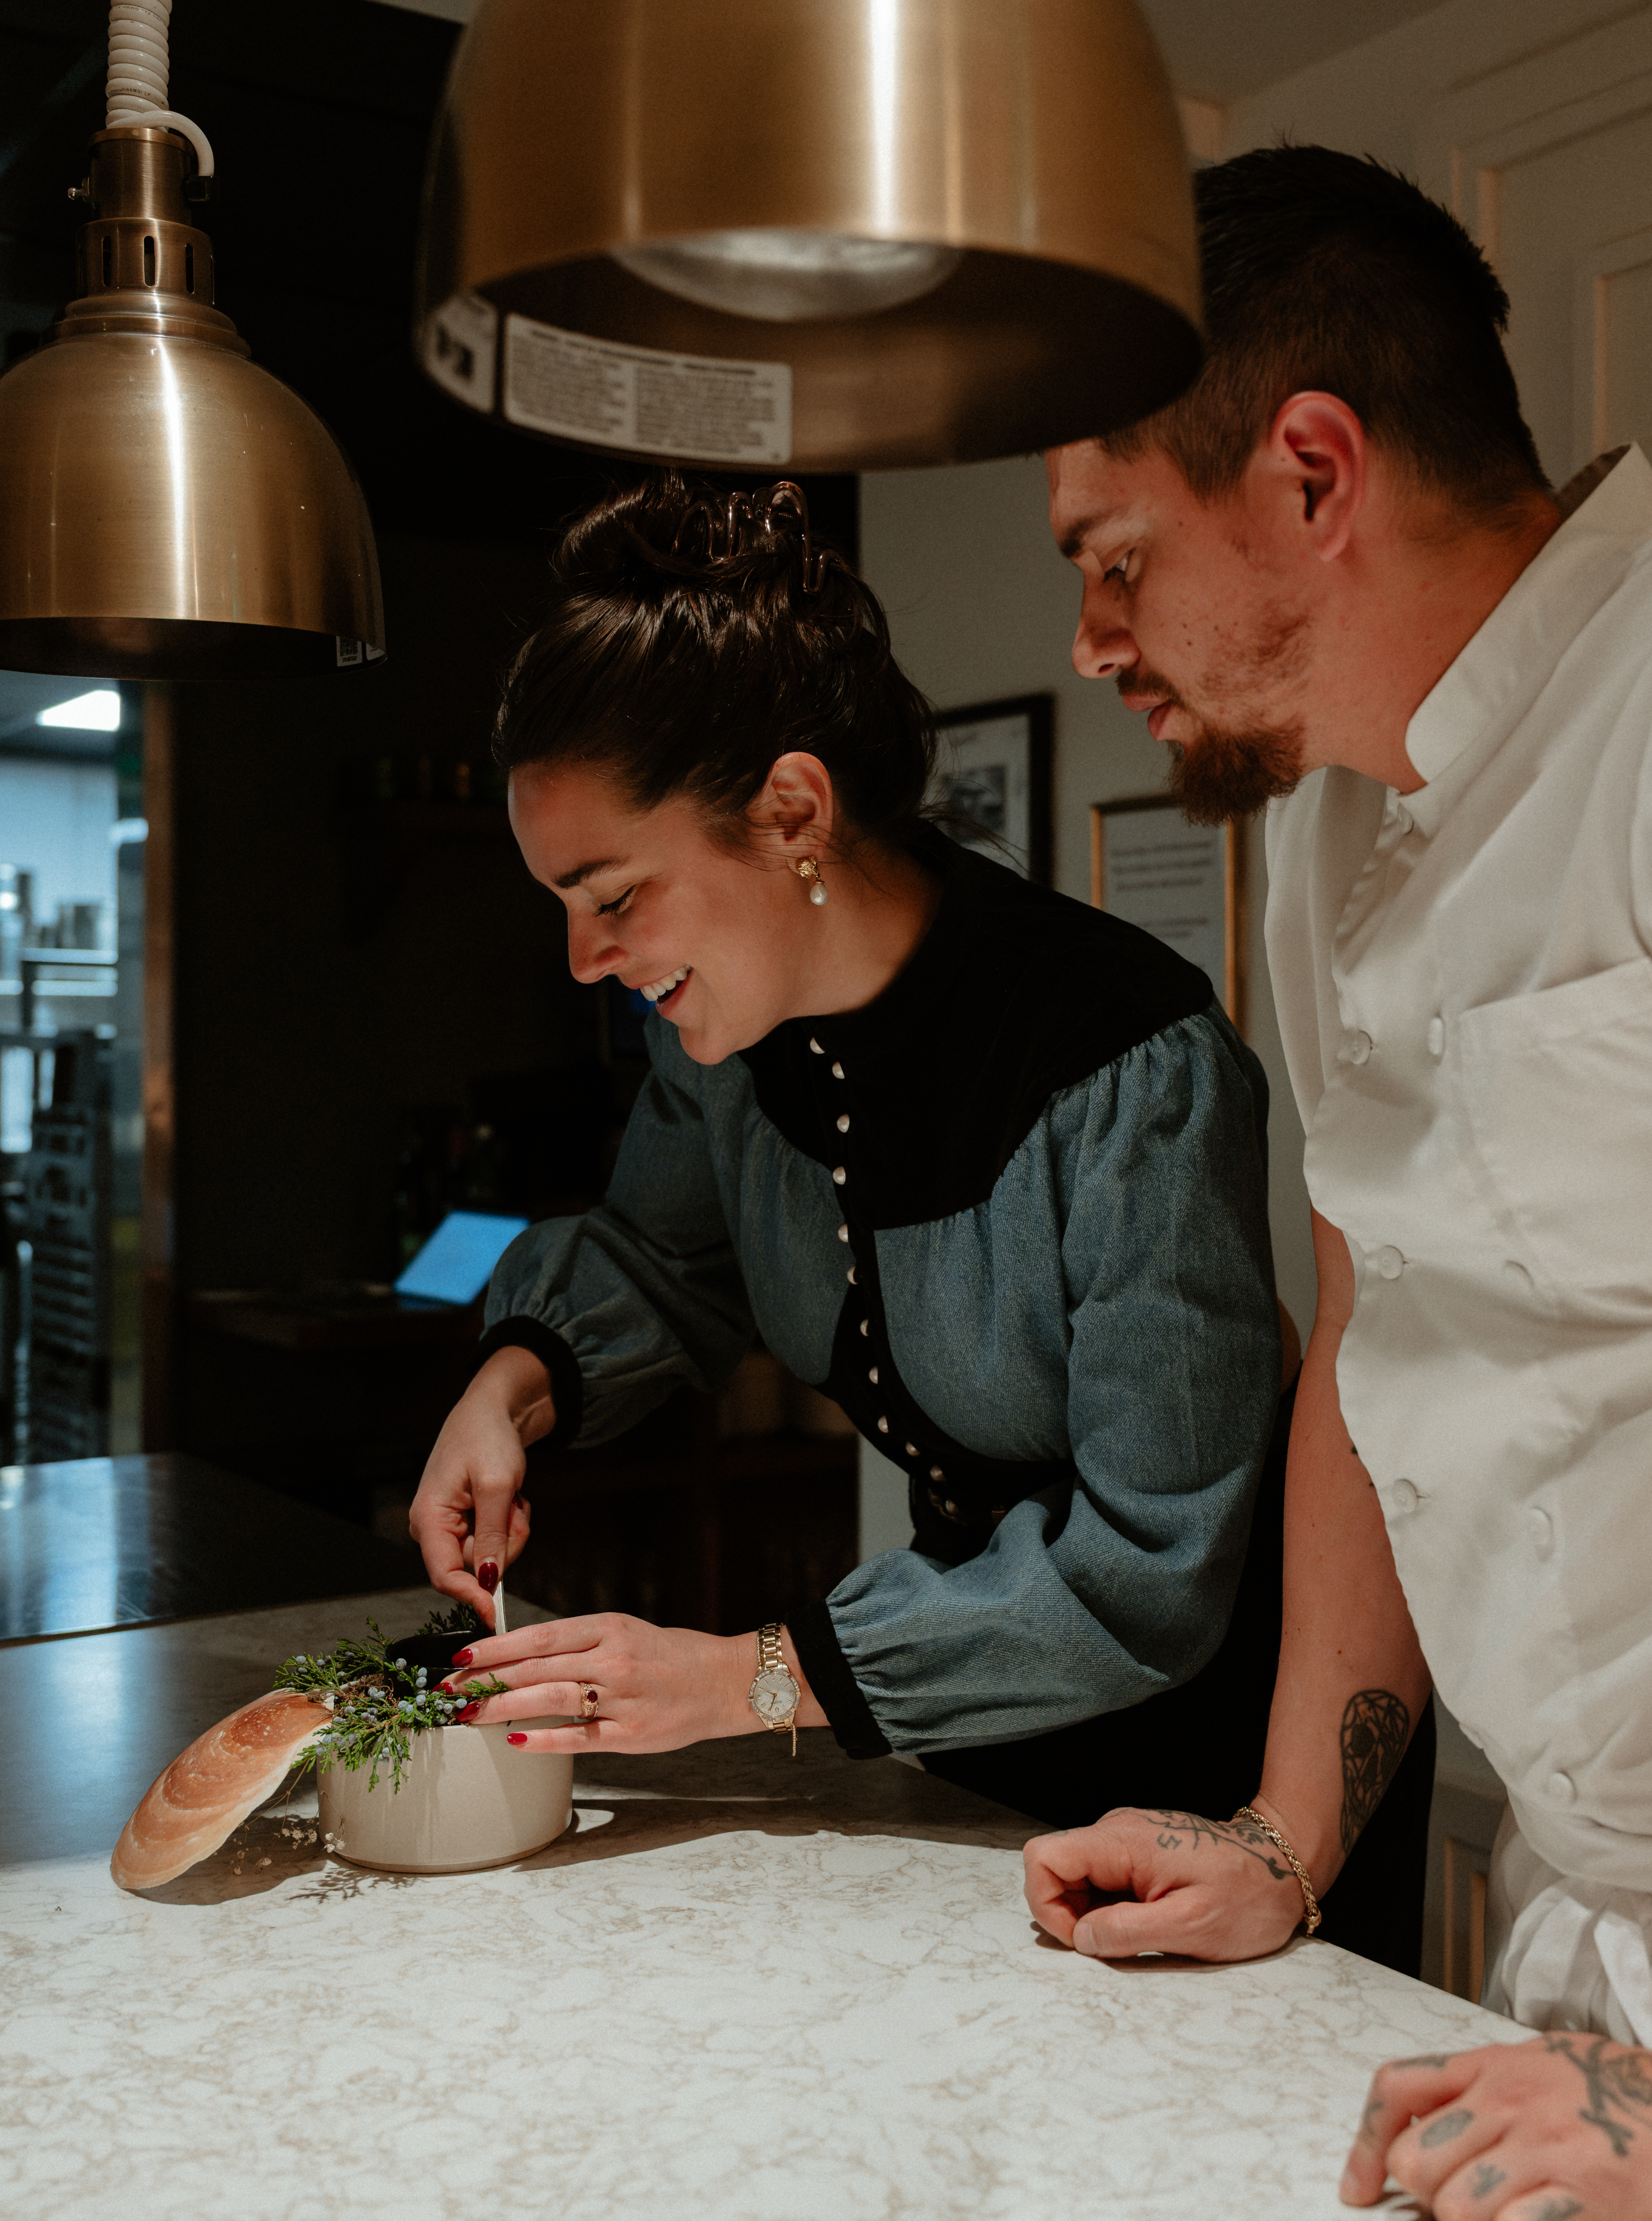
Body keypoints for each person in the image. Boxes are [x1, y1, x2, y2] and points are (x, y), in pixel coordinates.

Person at [407, 469, 1421, 1956]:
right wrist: (508, 1388)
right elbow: (657, 1253)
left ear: (793, 810)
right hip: (966, 1756)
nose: (582, 956)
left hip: (1227, 1783)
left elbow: (1148, 1565)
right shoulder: (720, 1048)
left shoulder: (1128, 1062)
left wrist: (737, 1679)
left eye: (612, 892)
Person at [1025, 143, 1652, 2217]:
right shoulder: (1313, 832)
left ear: (1310, 468)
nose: (1097, 635)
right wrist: (1291, 1836)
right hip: (1570, 1925)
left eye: (1114, 556)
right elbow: (1367, 1329)